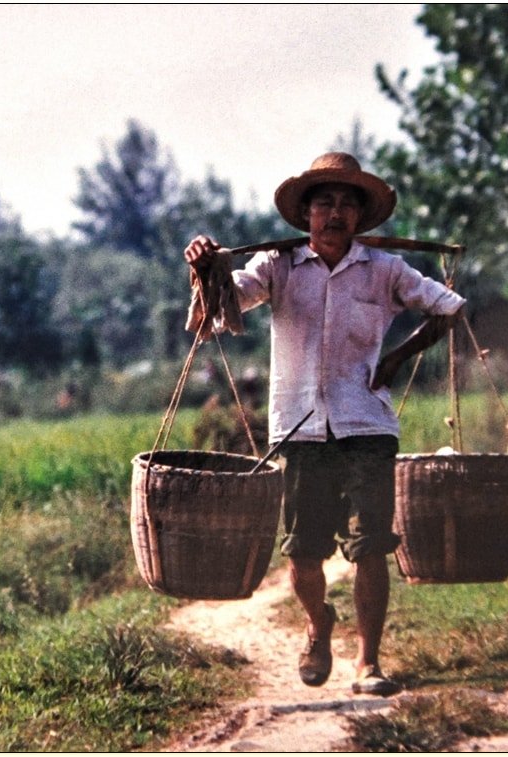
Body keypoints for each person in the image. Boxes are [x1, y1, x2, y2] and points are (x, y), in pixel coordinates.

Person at [183, 152, 466, 696]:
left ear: (359, 216)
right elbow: (223, 302)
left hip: (367, 425)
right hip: (301, 428)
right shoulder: (279, 266)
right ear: (307, 214)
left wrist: (395, 359)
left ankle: (369, 663)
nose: (335, 214)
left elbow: (451, 308)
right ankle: (318, 623)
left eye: (346, 205)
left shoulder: (384, 269)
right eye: (325, 204)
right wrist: (204, 265)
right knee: (304, 551)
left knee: (370, 545)